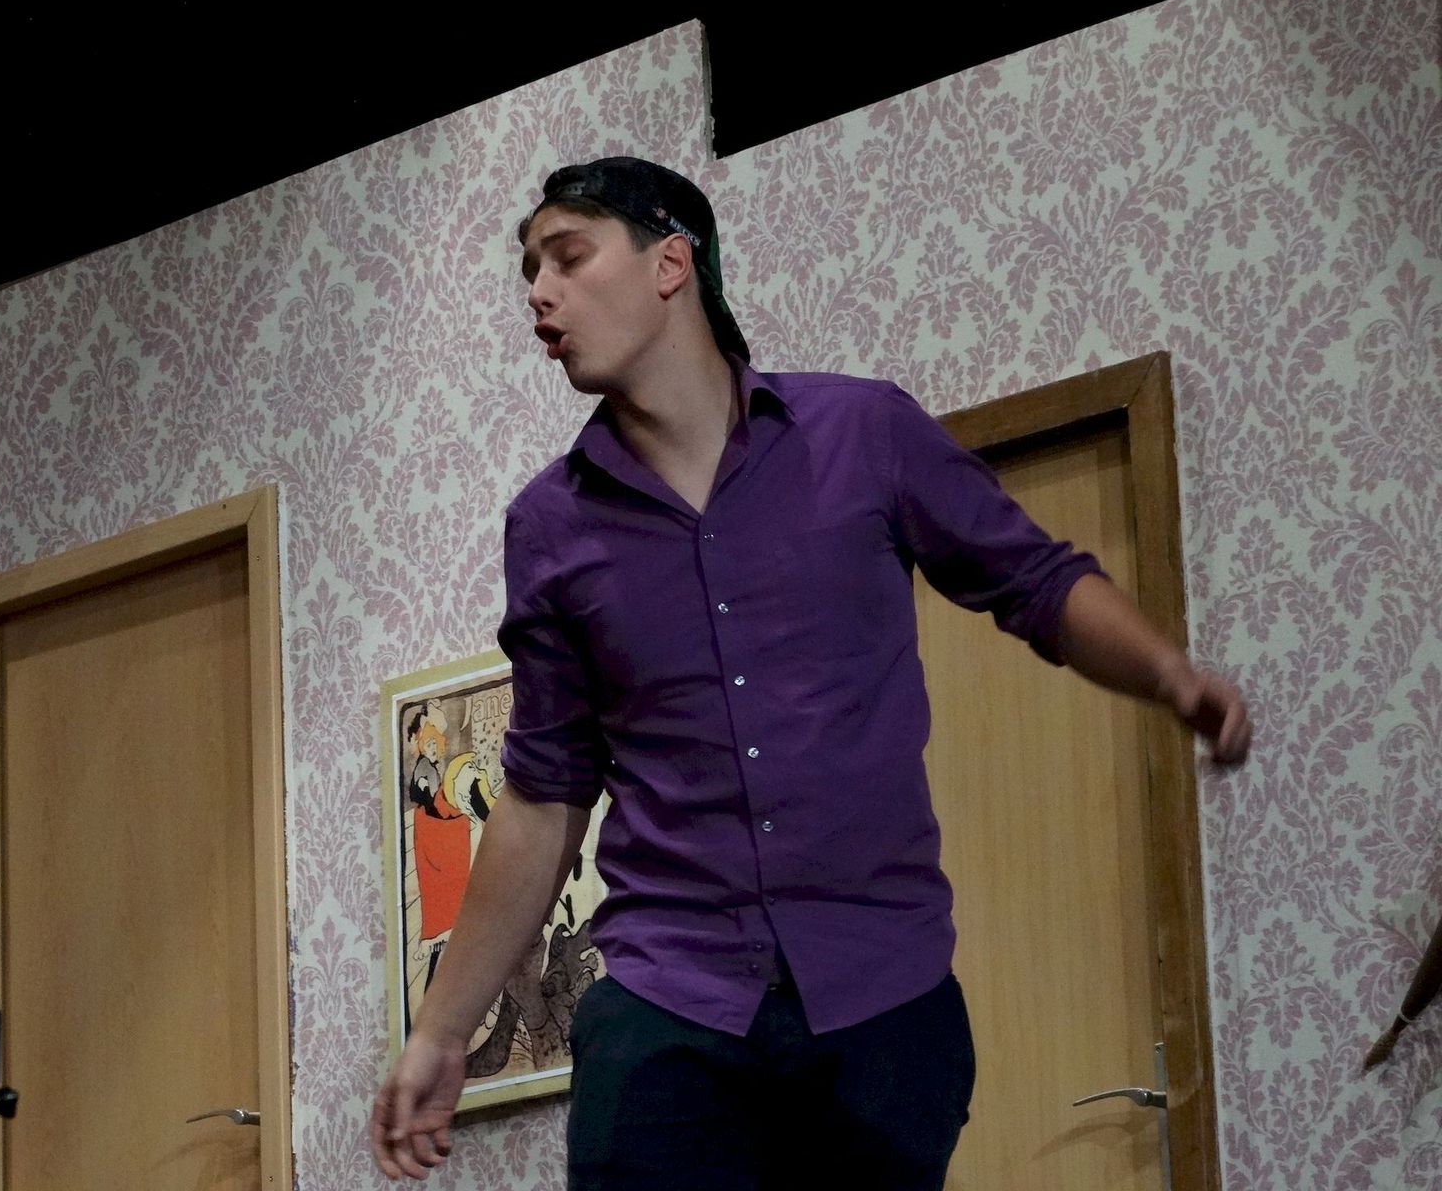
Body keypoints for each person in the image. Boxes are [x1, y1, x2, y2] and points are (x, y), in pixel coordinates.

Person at [372, 156, 1251, 1189]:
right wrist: (442, 1032)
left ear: (670, 262)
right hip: (669, 1010)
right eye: (529, 271)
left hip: (883, 1005)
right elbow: (543, 793)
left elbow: (1035, 579)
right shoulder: (550, 527)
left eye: (567, 257)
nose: (538, 293)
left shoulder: (864, 433)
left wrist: (1166, 674)